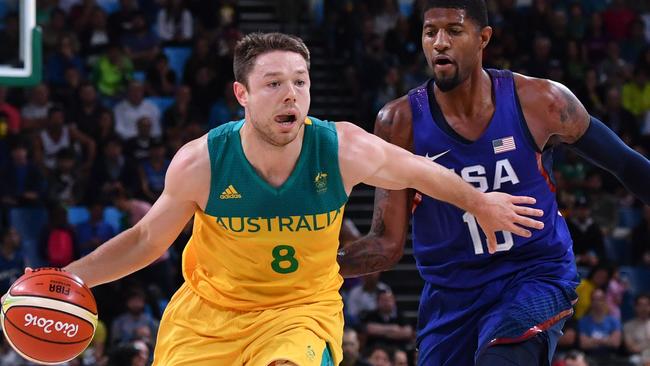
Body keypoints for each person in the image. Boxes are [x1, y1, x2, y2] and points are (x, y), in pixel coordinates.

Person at [56, 33, 542, 366]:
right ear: (241, 94)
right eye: (273, 84)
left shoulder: (341, 148)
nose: (291, 95)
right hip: (208, 316)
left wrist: (480, 202)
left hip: (299, 311)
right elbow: (145, 239)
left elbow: (421, 171)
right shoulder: (201, 162)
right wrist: (70, 277)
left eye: (300, 82)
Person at [336, 1, 650, 365]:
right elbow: (387, 246)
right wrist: (317, 263)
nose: (439, 42)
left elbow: (626, 164)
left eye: (453, 31)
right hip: (451, 295)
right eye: (429, 32)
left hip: (532, 274)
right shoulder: (398, 122)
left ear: (483, 37)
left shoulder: (541, 101)